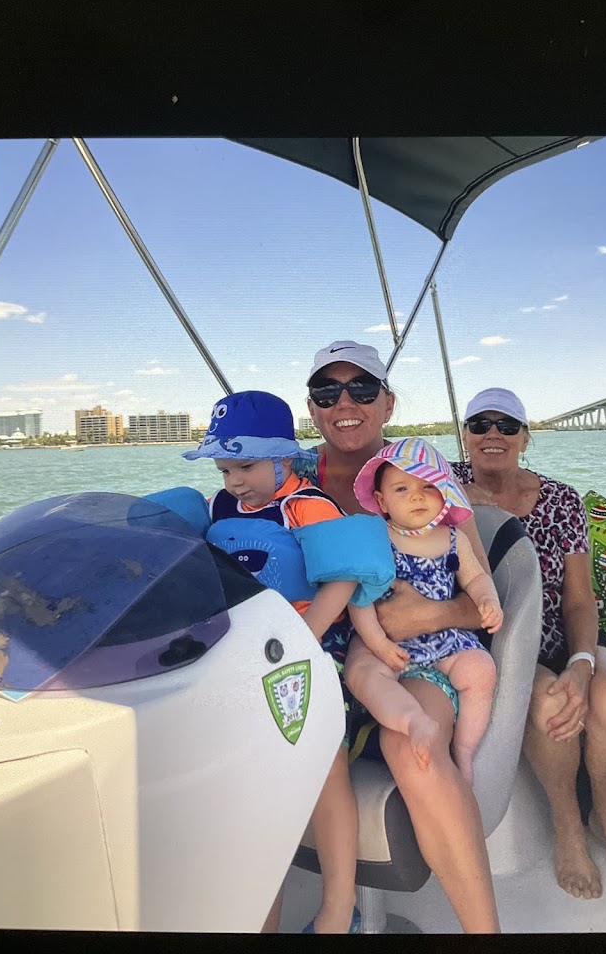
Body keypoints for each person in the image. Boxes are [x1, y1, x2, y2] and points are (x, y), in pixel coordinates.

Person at [268, 340, 501, 935]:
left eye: (362, 388)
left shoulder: (424, 476)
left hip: (411, 659)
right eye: (327, 392)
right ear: (312, 408)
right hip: (313, 656)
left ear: (388, 402)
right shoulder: (282, 478)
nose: (344, 403)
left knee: (412, 749)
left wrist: (426, 616)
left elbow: (481, 597)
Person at [182, 390, 391, 934]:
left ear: (282, 459)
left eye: (246, 466)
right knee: (251, 779)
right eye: (225, 469)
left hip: (308, 649)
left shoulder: (308, 505)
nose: (234, 481)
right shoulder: (219, 507)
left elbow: (343, 577)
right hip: (242, 653)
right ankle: (260, 917)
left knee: (326, 765)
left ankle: (336, 910)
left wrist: (301, 640)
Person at [451, 387, 606, 901]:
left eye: (507, 426)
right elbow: (378, 487)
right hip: (501, 642)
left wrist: (582, 663)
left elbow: (580, 600)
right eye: (480, 425)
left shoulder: (561, 500)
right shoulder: (440, 487)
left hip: (564, 632)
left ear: (525, 438)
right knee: (550, 703)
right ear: (465, 436)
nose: (493, 435)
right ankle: (569, 826)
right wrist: (459, 499)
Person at [345, 438, 503, 784]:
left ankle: (464, 750)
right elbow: (359, 598)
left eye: (428, 486)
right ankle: (410, 721)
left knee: (481, 670)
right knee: (363, 673)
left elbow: (476, 577)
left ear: (445, 493)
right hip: (384, 640)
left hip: (444, 639)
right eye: (402, 489)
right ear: (382, 501)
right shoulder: (376, 539)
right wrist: (379, 644)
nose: (417, 496)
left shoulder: (453, 538)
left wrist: (487, 600)